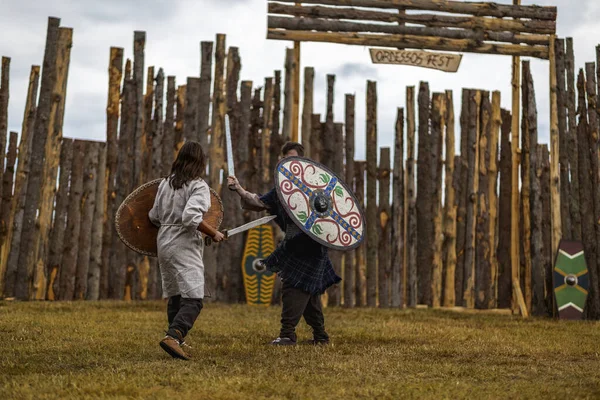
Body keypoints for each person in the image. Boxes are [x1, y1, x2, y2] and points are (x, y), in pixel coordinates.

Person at [227, 142, 341, 346]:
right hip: (295, 244)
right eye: (284, 157)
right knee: (309, 291)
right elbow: (259, 203)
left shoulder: (318, 187)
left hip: (312, 247)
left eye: (291, 157)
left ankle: (287, 334)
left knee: (293, 285)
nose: (287, 161)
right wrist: (239, 189)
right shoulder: (282, 189)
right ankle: (320, 336)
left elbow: (332, 215)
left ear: (302, 162)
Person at [149, 141, 225, 360]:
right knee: (194, 297)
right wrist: (213, 233)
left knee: (176, 294)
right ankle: (174, 336)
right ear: (200, 162)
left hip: (164, 241)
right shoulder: (198, 186)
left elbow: (153, 216)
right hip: (183, 243)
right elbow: (191, 217)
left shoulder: (165, 184)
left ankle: (176, 341)